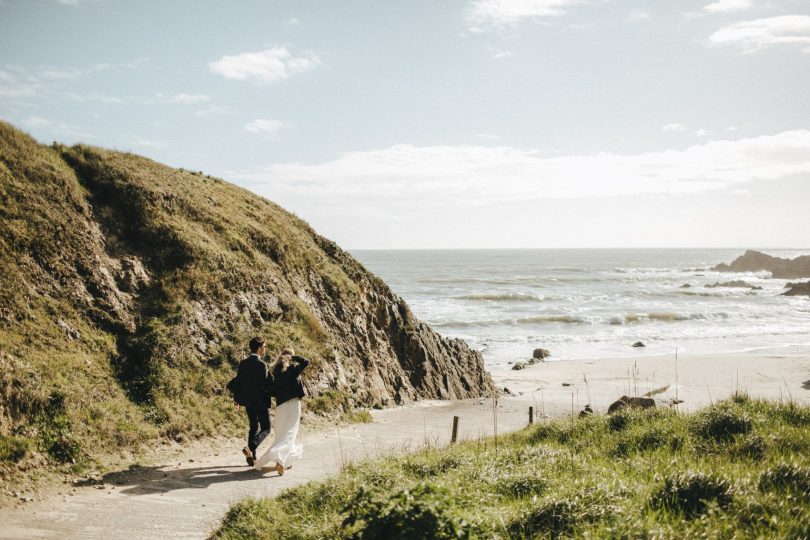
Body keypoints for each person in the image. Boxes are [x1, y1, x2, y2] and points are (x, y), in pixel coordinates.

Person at [254, 347, 309, 475]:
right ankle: (281, 461)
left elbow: (271, 391)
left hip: (280, 407)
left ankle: (283, 461)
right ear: (289, 358)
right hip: (293, 405)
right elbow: (306, 362)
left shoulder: (274, 372)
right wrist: (293, 357)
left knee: (281, 436)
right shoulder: (293, 370)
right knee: (290, 434)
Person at [237, 336, 273, 466]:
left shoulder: (243, 363)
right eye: (264, 347)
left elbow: (238, 383)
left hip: (248, 401)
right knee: (267, 428)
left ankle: (252, 457)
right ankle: (251, 448)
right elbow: (266, 385)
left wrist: (236, 399)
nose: (265, 349)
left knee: (253, 426)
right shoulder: (262, 365)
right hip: (261, 401)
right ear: (259, 349)